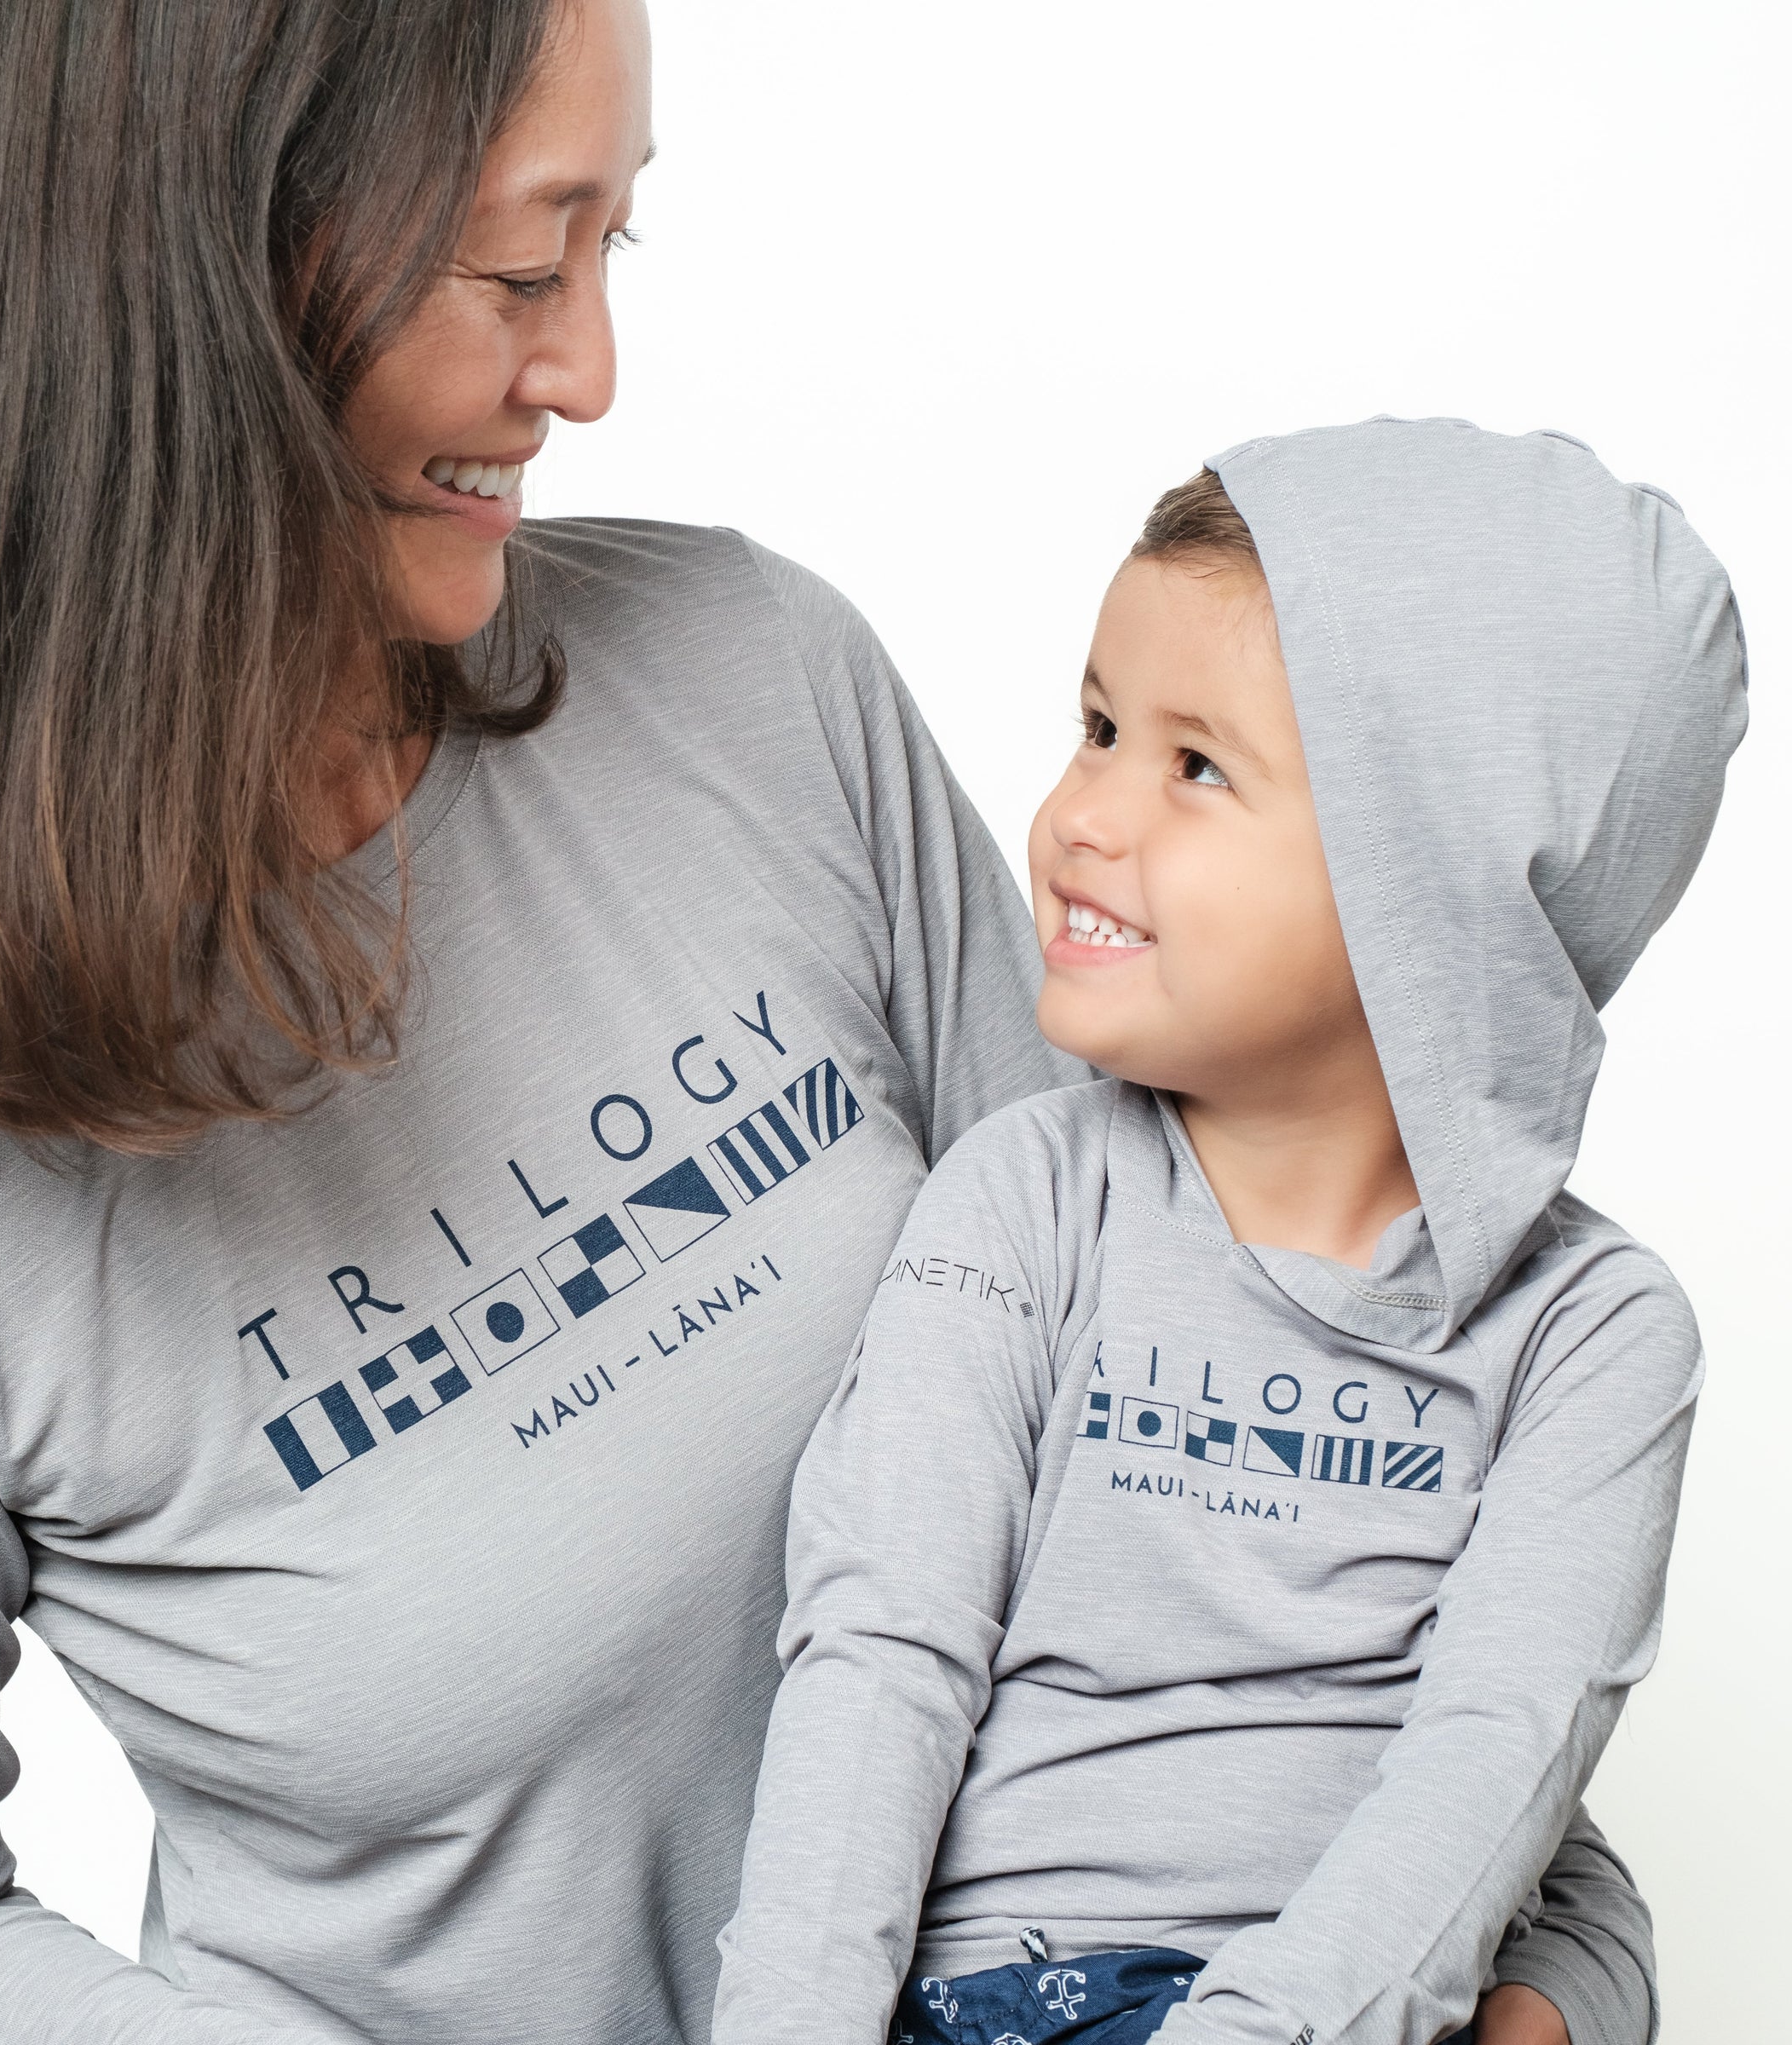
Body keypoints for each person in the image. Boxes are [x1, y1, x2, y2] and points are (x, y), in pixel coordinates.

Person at [0, 0, 1655, 2036]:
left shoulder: (757, 684)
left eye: (614, 242)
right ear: (169, 275)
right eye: (515, 267)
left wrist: (1551, 1975)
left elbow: (1271, 1521)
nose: (587, 371)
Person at [712, 424, 1743, 2045]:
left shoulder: (1595, 1338)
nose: (1081, 816)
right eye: (1099, 728)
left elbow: (1498, 1760)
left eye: (1196, 767)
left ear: (1435, 895)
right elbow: (878, 1657)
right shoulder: (1023, 1200)